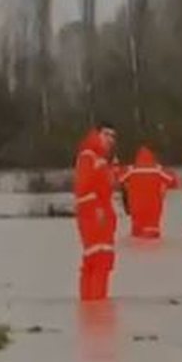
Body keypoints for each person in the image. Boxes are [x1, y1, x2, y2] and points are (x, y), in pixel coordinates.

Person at [74, 124, 119, 301]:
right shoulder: (89, 156)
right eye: (107, 135)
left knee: (96, 259)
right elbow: (84, 187)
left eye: (113, 137)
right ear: (98, 134)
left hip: (99, 213)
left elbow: (106, 186)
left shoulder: (99, 158)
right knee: (100, 258)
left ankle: (92, 305)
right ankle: (96, 301)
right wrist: (97, 208)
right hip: (94, 214)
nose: (110, 140)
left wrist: (113, 171)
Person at [119, 146, 179, 239]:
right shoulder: (158, 169)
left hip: (136, 205)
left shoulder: (131, 169)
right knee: (152, 234)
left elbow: (118, 180)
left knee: (137, 234)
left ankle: (137, 250)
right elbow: (173, 181)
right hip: (153, 205)